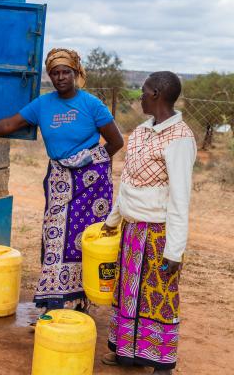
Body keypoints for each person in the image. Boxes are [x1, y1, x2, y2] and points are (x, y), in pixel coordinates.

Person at [0, 48, 124, 314]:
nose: (60, 77)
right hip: (60, 181)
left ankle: (79, 303)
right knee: (54, 237)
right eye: (55, 73)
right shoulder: (43, 105)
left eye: (66, 72)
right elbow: (9, 124)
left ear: (76, 73)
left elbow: (116, 142)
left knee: (83, 239)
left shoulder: (92, 105)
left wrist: (89, 166)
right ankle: (54, 302)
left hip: (91, 185)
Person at [101, 71, 197, 375]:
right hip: (132, 230)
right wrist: (113, 219)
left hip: (158, 234)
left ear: (156, 94)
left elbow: (180, 199)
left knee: (158, 296)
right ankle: (126, 352)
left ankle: (161, 362)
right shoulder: (141, 132)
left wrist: (175, 250)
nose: (139, 96)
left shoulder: (180, 138)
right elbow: (127, 181)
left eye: (143, 92)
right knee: (128, 292)